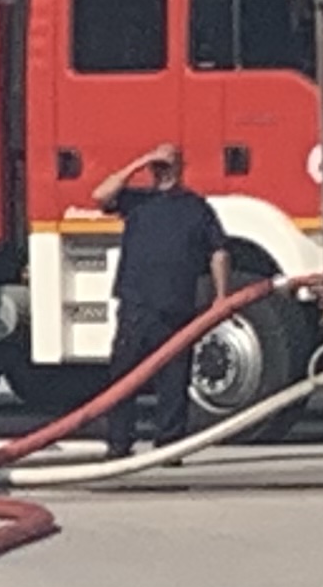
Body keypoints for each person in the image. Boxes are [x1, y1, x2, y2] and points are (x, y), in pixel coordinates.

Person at [97, 142, 227, 455]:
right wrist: (139, 162)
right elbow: (100, 195)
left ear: (181, 168)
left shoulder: (197, 207)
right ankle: (118, 444)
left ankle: (169, 447)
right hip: (137, 306)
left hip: (176, 307)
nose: (162, 172)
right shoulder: (138, 201)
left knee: (174, 381)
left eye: (167, 166)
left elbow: (218, 252)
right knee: (123, 379)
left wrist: (222, 298)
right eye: (158, 167)